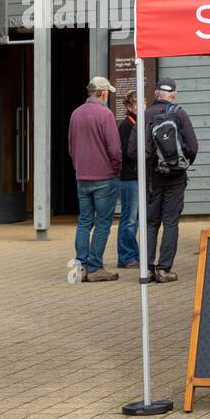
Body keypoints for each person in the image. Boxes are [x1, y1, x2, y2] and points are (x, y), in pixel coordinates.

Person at [67, 76, 122, 282]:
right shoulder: (105, 114)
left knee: (84, 221)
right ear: (103, 93)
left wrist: (79, 167)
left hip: (82, 176)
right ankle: (95, 266)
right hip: (104, 176)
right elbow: (115, 149)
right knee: (102, 223)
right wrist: (116, 169)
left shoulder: (75, 114)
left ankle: (80, 265)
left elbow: (71, 146)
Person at [144, 77, 198, 283]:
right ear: (173, 94)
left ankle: (147, 269)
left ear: (156, 93)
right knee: (170, 223)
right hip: (176, 179)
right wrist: (181, 164)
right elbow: (193, 146)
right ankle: (164, 270)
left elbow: (133, 150)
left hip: (153, 178)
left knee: (150, 223)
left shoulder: (146, 115)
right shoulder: (179, 113)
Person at [116, 91, 140, 269]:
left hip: (137, 177)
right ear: (129, 106)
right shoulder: (127, 126)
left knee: (136, 219)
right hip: (129, 178)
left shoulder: (138, 123)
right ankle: (126, 256)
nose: (142, 107)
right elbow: (125, 153)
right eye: (138, 104)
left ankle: (133, 253)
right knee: (129, 219)